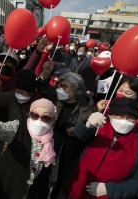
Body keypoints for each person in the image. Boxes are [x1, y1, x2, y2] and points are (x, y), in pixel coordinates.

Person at [64, 98, 138, 198]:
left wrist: (110, 189)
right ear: (110, 115)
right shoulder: (100, 126)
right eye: (120, 116)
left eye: (130, 118)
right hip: (75, 187)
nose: (125, 120)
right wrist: (87, 124)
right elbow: (79, 134)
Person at [37, 61, 95, 197]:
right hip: (50, 144)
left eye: (64, 86)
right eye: (59, 85)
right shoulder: (56, 98)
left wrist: (78, 130)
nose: (59, 88)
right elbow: (43, 87)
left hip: (68, 150)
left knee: (60, 177)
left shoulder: (86, 106)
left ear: (75, 90)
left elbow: (88, 130)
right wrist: (45, 73)